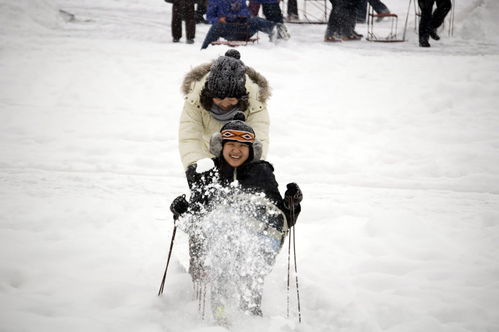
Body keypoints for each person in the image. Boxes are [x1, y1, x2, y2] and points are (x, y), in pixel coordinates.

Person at [170, 114, 303, 320]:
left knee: (245, 259)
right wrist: (181, 212)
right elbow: (195, 220)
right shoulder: (208, 173)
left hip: (253, 247)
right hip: (213, 247)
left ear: (251, 150)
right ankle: (220, 313)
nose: (236, 150)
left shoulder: (261, 173)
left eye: (243, 145)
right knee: (222, 248)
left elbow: (280, 219)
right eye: (231, 143)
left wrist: (291, 204)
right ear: (220, 146)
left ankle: (250, 312)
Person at [178, 50, 270, 170]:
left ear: (242, 97)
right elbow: (189, 137)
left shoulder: (255, 101)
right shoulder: (195, 99)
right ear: (209, 96)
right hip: (206, 149)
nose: (225, 104)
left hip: (241, 151)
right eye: (219, 99)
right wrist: (195, 167)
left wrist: (251, 169)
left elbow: (259, 139)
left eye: (231, 99)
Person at [200, 0, 290, 49]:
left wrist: (242, 16)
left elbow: (246, 11)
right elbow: (209, 17)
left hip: (243, 28)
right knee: (216, 26)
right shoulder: (214, 1)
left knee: (255, 20)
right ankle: (205, 48)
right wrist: (220, 19)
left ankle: (276, 30)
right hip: (228, 30)